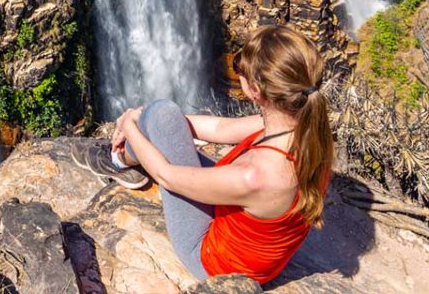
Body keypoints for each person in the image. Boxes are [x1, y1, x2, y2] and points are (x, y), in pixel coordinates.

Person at [71, 25, 334, 285]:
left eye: (239, 65)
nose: (236, 66)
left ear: (256, 90)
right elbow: (222, 128)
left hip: (212, 260)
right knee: (162, 115)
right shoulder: (308, 131)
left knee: (161, 113)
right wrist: (150, 122)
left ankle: (116, 160)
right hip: (254, 250)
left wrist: (130, 125)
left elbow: (167, 176)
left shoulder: (255, 175)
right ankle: (131, 148)